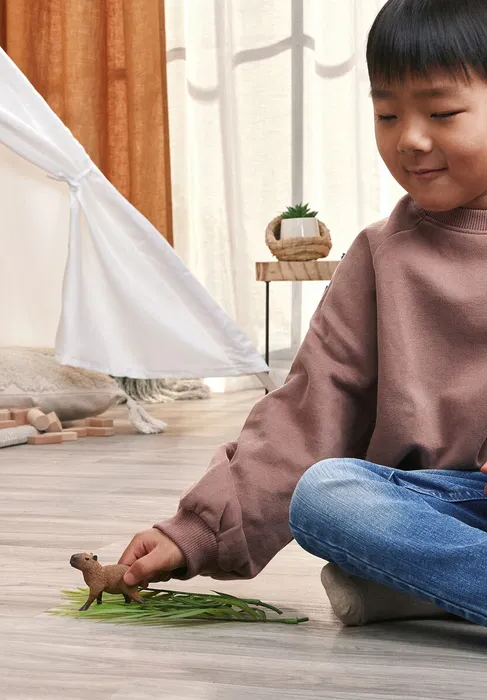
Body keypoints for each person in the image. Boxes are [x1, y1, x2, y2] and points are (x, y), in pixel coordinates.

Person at [119, 0, 487, 627]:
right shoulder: (379, 256)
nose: (409, 138)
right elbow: (311, 409)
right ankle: (441, 580)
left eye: (442, 112)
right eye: (387, 114)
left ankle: (422, 588)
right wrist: (195, 531)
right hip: (436, 507)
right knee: (328, 496)